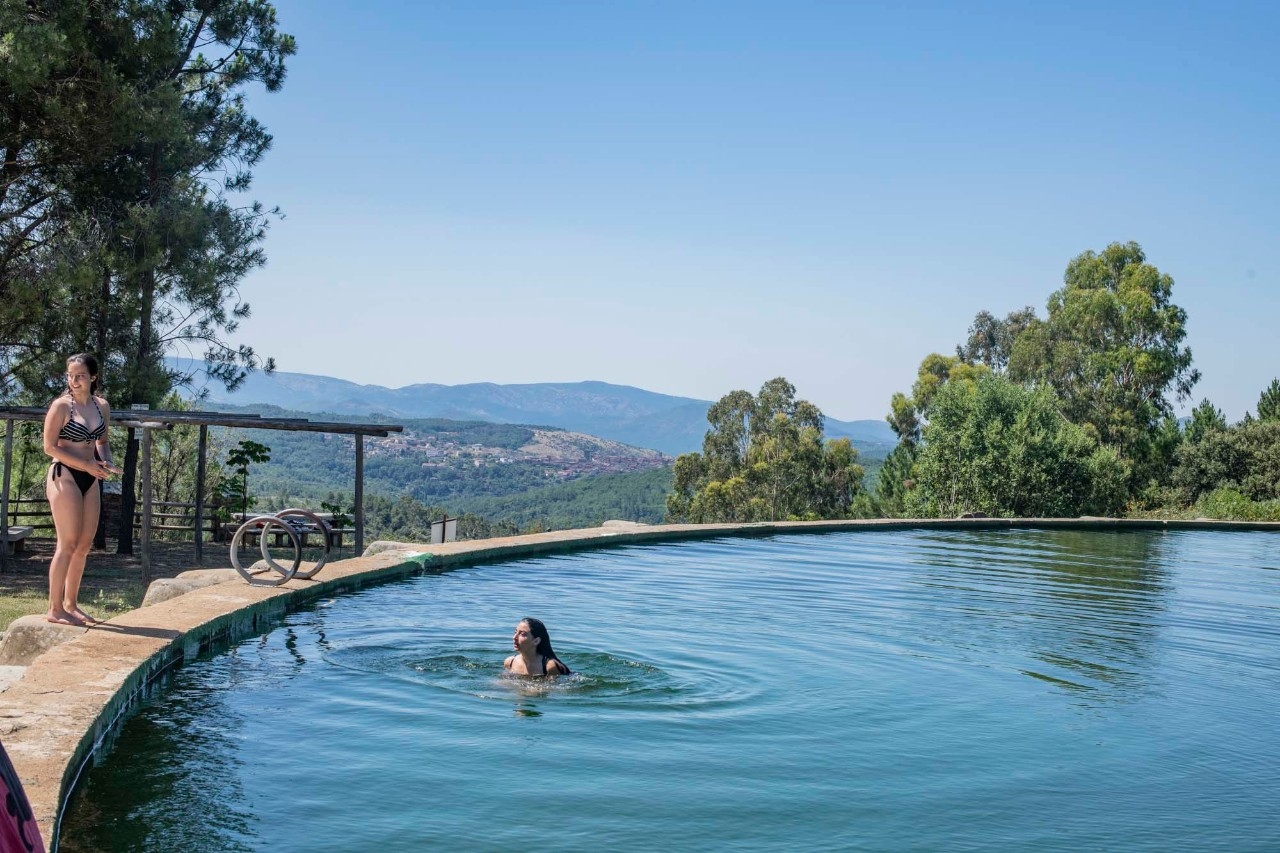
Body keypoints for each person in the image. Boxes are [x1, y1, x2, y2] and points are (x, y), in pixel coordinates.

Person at [42, 354, 121, 626]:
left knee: (84, 546)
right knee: (67, 544)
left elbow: (102, 441)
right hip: (65, 475)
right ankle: (54, 609)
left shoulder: (102, 407)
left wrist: (107, 463)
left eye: (80, 376)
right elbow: (50, 447)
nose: (74, 381)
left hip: (91, 476)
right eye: (70, 375)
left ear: (93, 377)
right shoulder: (61, 406)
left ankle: (71, 604)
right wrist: (86, 466)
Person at [504, 617, 571, 676]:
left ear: (536, 641)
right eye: (515, 632)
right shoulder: (510, 662)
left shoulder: (549, 666)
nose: (514, 637)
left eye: (522, 634)